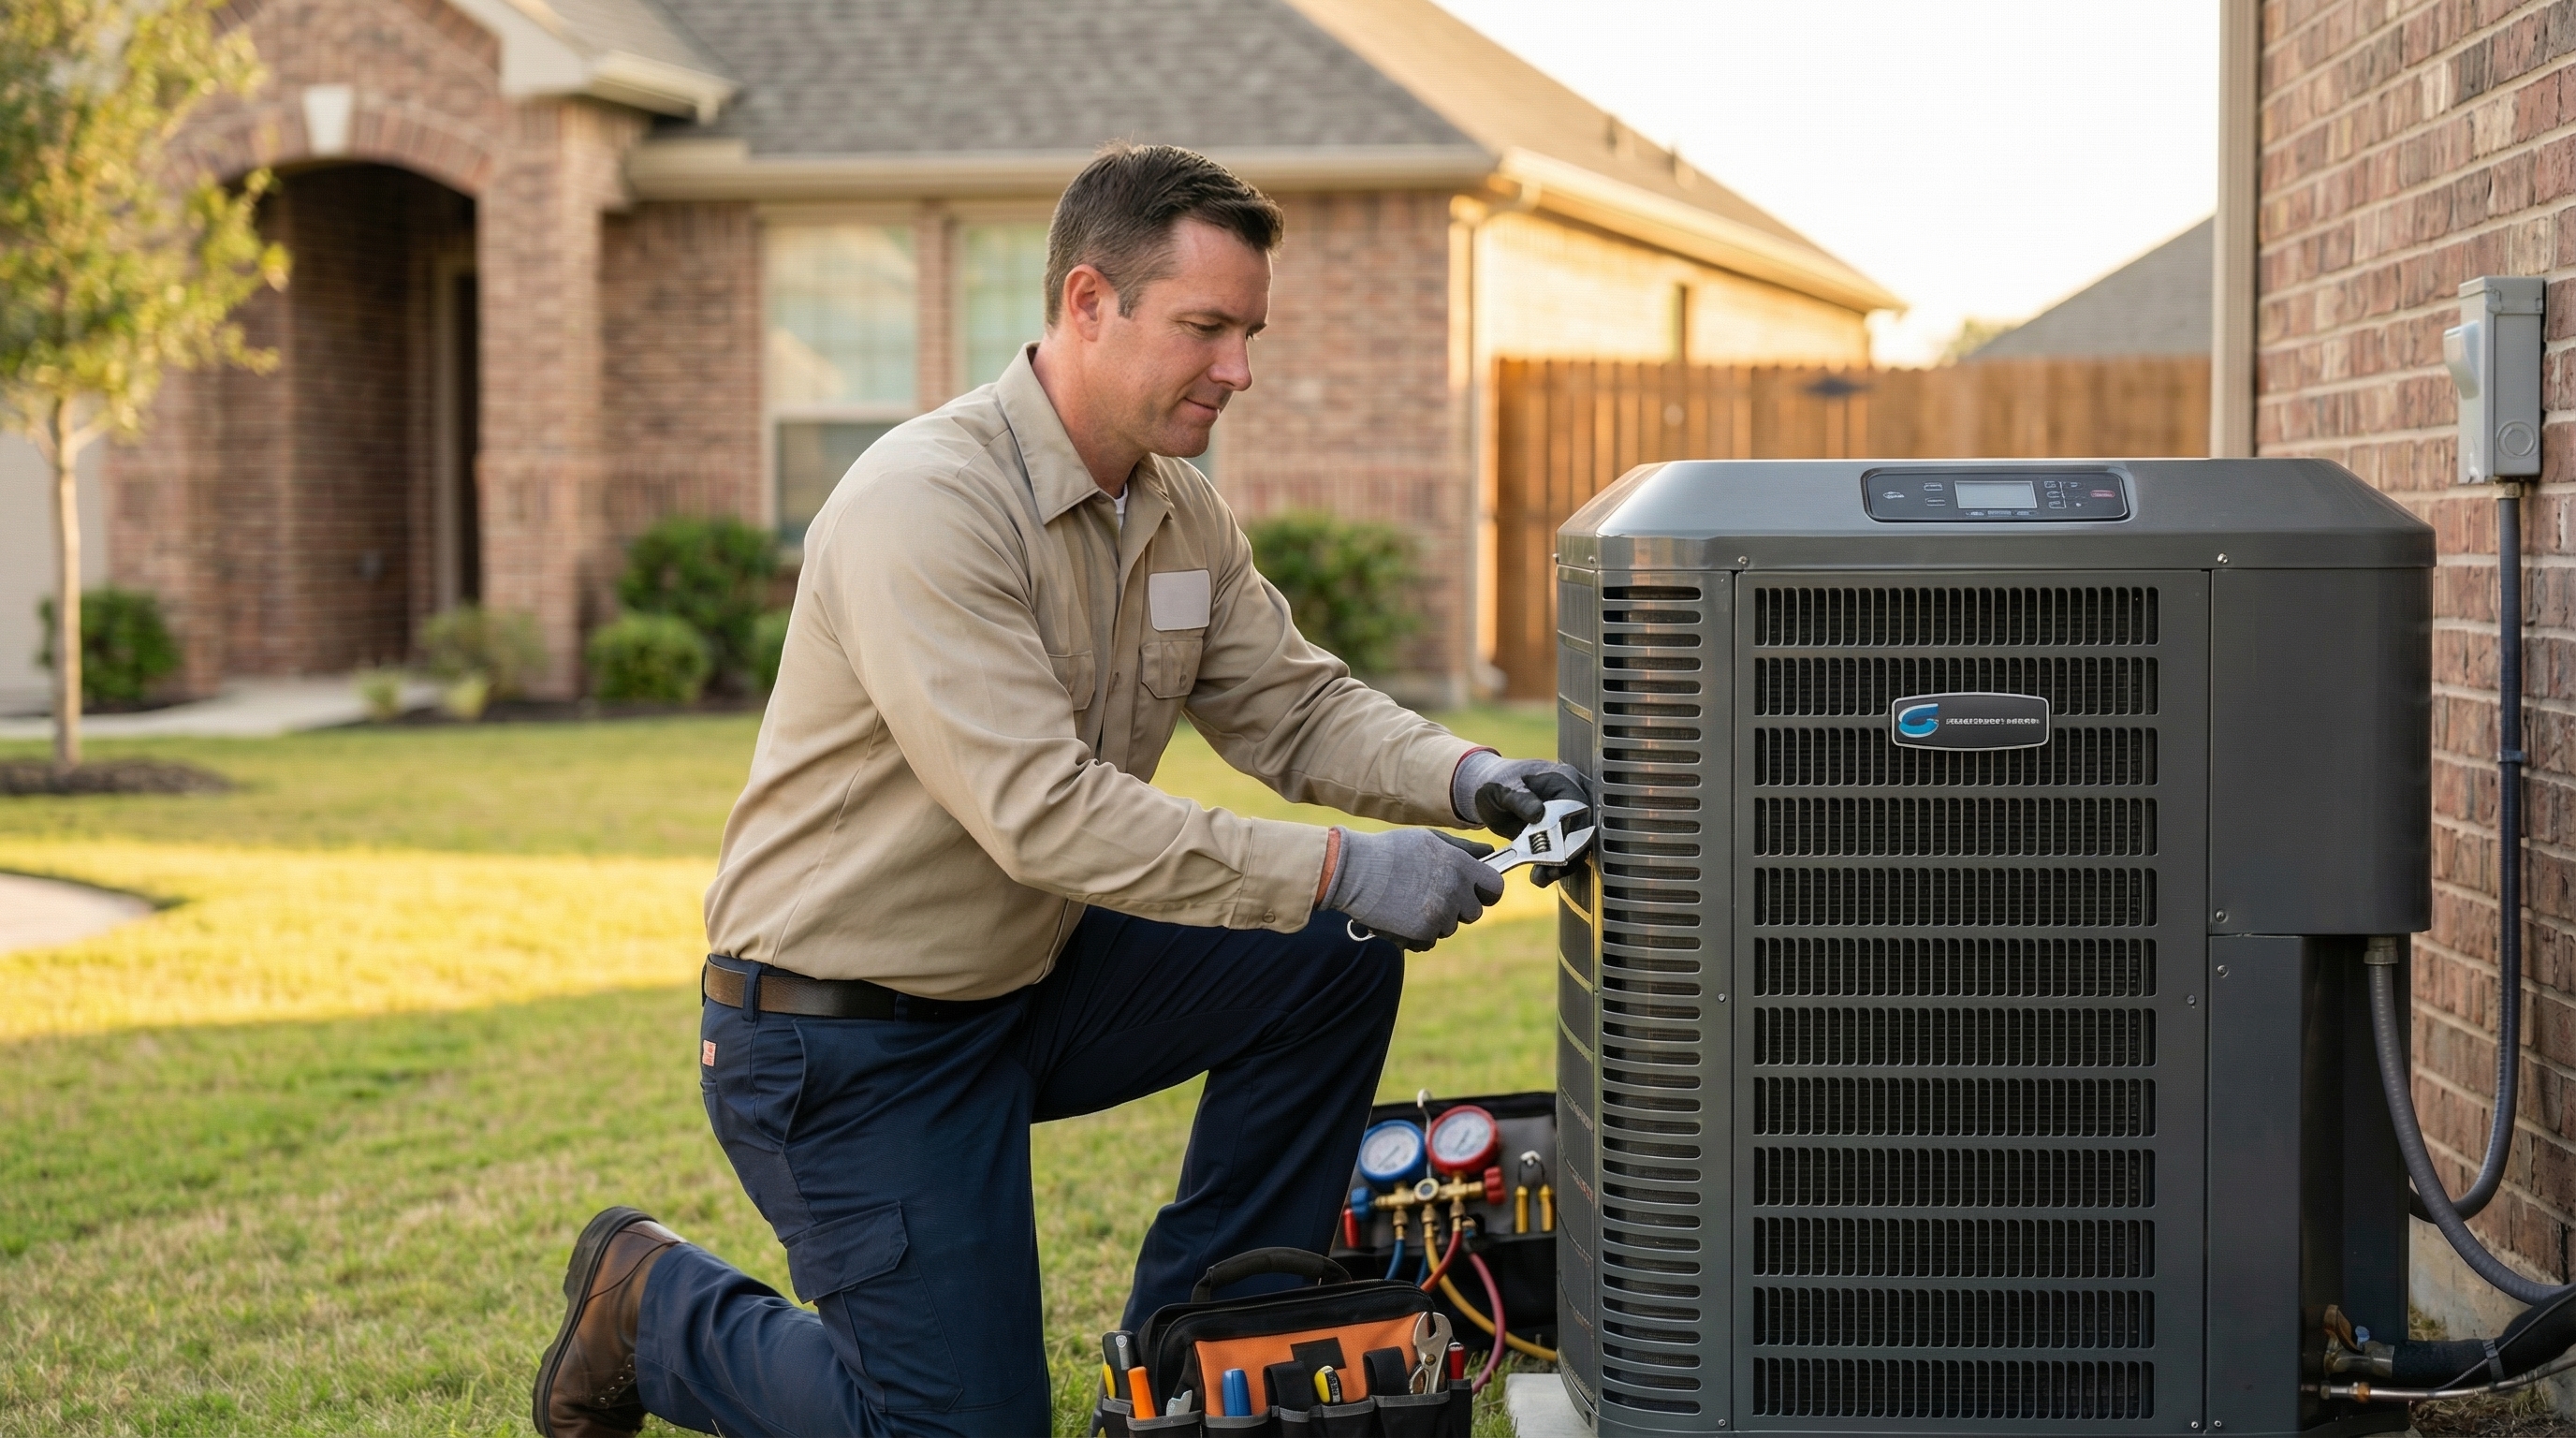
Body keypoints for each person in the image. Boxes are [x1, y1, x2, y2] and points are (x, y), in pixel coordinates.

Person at [530, 142, 1588, 1438]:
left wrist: (1466, 777)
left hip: (1023, 987)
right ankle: (651, 1303)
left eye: (1249, 332)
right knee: (953, 1430)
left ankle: (1189, 1364)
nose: (1238, 369)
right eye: (1206, 327)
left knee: (1333, 959)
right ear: (1090, 303)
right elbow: (1043, 813)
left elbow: (1292, 702)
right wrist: (1343, 864)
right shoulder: (928, 505)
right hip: (843, 1039)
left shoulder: (1176, 511)